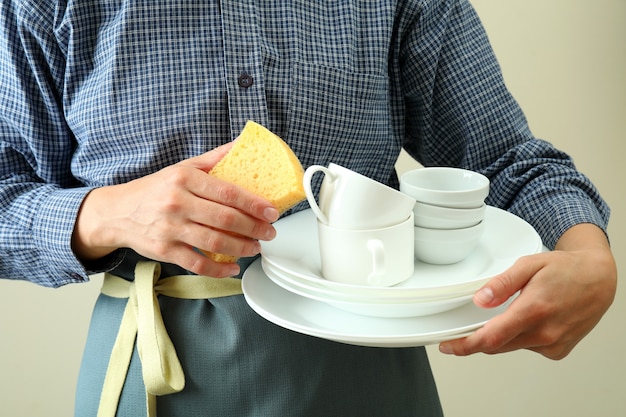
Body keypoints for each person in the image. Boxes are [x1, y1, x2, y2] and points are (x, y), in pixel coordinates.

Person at [0, 0, 616, 416]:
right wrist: (104, 214)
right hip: (152, 365)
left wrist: (588, 254)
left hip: (366, 371)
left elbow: (506, 159)